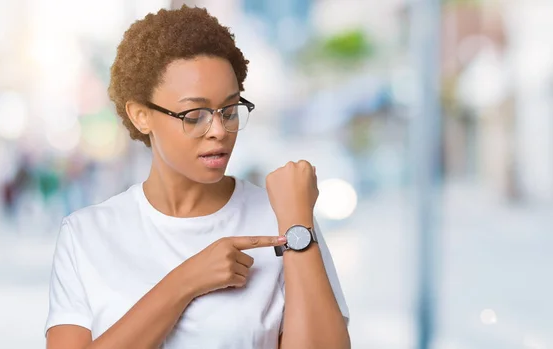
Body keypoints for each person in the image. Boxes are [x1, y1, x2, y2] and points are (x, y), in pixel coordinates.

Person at [45, 6, 350, 349]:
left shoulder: (286, 223)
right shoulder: (86, 235)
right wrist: (185, 282)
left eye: (230, 111)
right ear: (141, 116)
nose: (219, 131)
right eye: (195, 115)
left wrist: (298, 225)